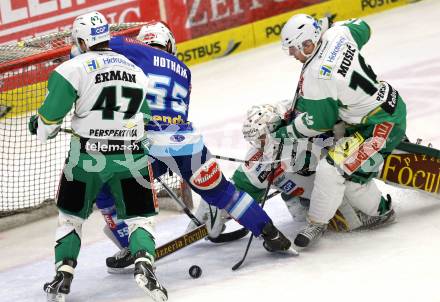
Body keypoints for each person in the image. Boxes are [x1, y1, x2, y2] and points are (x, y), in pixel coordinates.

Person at [93, 21, 294, 273]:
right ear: (169, 45)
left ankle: (130, 246)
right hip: (186, 145)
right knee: (225, 193)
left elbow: (96, 45)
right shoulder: (183, 70)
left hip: (145, 146)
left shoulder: (134, 51)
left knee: (102, 189)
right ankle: (270, 232)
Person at [29, 11, 168, 302]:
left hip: (86, 156)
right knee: (141, 219)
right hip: (131, 155)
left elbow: (47, 127)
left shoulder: (72, 68)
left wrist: (39, 123)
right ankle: (145, 265)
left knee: (70, 219)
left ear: (81, 40)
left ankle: (63, 276)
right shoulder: (136, 70)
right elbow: (144, 121)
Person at [270, 14, 406, 248]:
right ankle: (382, 154)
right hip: (385, 105)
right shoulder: (338, 34)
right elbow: (363, 27)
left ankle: (378, 213)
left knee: (333, 170)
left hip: (379, 126)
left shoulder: (317, 75)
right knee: (336, 146)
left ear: (308, 43)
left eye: (293, 48)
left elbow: (317, 124)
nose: (292, 54)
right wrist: (331, 26)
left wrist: (284, 132)